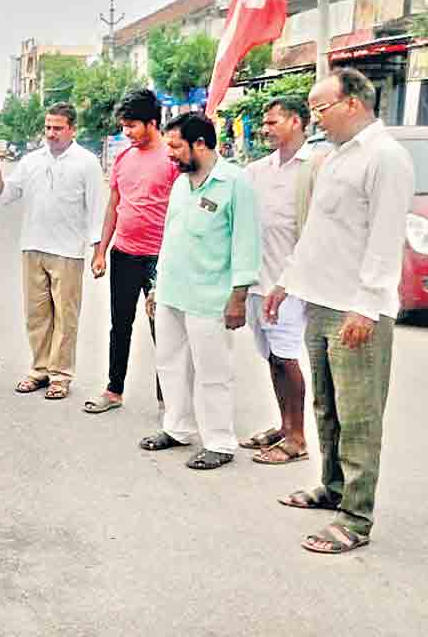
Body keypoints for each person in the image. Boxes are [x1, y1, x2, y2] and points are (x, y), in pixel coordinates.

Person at [265, 68, 414, 554]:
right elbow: (319, 233)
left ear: (352, 103)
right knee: (326, 407)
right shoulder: (336, 158)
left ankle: (356, 516)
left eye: (320, 108)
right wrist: (286, 282)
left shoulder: (386, 158)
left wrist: (367, 307)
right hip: (320, 301)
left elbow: (385, 237)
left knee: (359, 416)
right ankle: (331, 487)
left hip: (356, 309)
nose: (315, 118)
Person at [139, 113, 260, 470]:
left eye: (175, 146)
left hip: (211, 297)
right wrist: (157, 286)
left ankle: (220, 441)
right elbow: (171, 239)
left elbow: (246, 243)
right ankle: (176, 428)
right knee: (170, 364)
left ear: (201, 144)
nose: (170, 155)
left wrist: (239, 296)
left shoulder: (234, 183)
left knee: (213, 371)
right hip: (173, 291)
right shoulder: (181, 184)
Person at [0, 102, 101, 401]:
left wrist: (98, 250)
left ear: (72, 129)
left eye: (58, 128)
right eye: (48, 127)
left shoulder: (87, 162)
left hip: (68, 250)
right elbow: (6, 195)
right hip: (33, 246)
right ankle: (39, 370)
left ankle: (60, 376)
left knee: (65, 316)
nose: (51, 133)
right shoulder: (31, 161)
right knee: (36, 315)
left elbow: (95, 210)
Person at [240, 97, 331, 465]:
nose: (266, 127)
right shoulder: (258, 169)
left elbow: (318, 229)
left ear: (296, 122)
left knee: (287, 355)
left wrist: (291, 279)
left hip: (290, 282)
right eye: (265, 122)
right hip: (257, 280)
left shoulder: (316, 166)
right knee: (272, 357)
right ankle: (283, 425)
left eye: (273, 121)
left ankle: (297, 437)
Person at [87, 88, 178, 414]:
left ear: (152, 122)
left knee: (163, 329)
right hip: (124, 254)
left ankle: (167, 398)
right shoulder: (124, 158)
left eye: (132, 126)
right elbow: (113, 206)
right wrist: (101, 250)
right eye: (124, 127)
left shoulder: (171, 157)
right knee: (119, 325)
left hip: (160, 258)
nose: (126, 133)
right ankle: (114, 391)